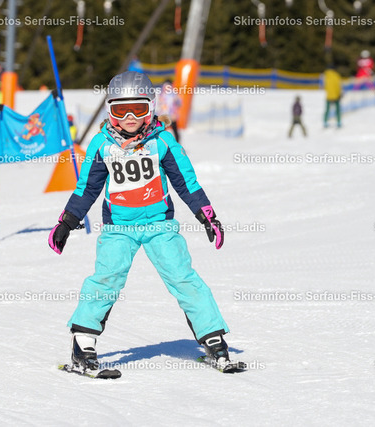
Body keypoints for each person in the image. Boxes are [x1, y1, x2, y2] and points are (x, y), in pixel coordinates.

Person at [48, 71, 235, 372]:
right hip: (118, 228)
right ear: (110, 110)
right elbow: (87, 189)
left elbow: (186, 182)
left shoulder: (162, 141)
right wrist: (67, 222)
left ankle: (214, 341)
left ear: (151, 107)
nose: (130, 118)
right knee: (106, 279)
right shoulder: (101, 145)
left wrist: (206, 216)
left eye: (138, 109)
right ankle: (83, 345)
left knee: (183, 277)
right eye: (121, 110)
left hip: (160, 226)